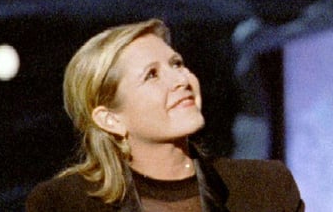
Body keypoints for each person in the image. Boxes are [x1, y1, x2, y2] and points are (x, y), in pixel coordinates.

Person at [26, 18, 304, 211]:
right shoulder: (63, 204)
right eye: (152, 75)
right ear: (110, 118)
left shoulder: (266, 187)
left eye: (177, 64)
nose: (181, 79)